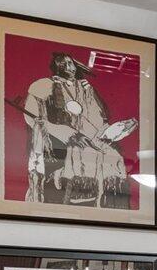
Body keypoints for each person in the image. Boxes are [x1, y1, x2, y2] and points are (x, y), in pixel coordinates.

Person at [16, 52, 137, 206]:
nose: (69, 67)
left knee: (113, 155)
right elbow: (34, 118)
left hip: (90, 138)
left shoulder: (85, 88)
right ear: (55, 67)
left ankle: (106, 204)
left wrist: (115, 131)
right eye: (63, 64)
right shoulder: (43, 86)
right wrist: (70, 135)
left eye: (70, 63)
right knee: (80, 154)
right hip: (60, 143)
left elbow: (96, 121)